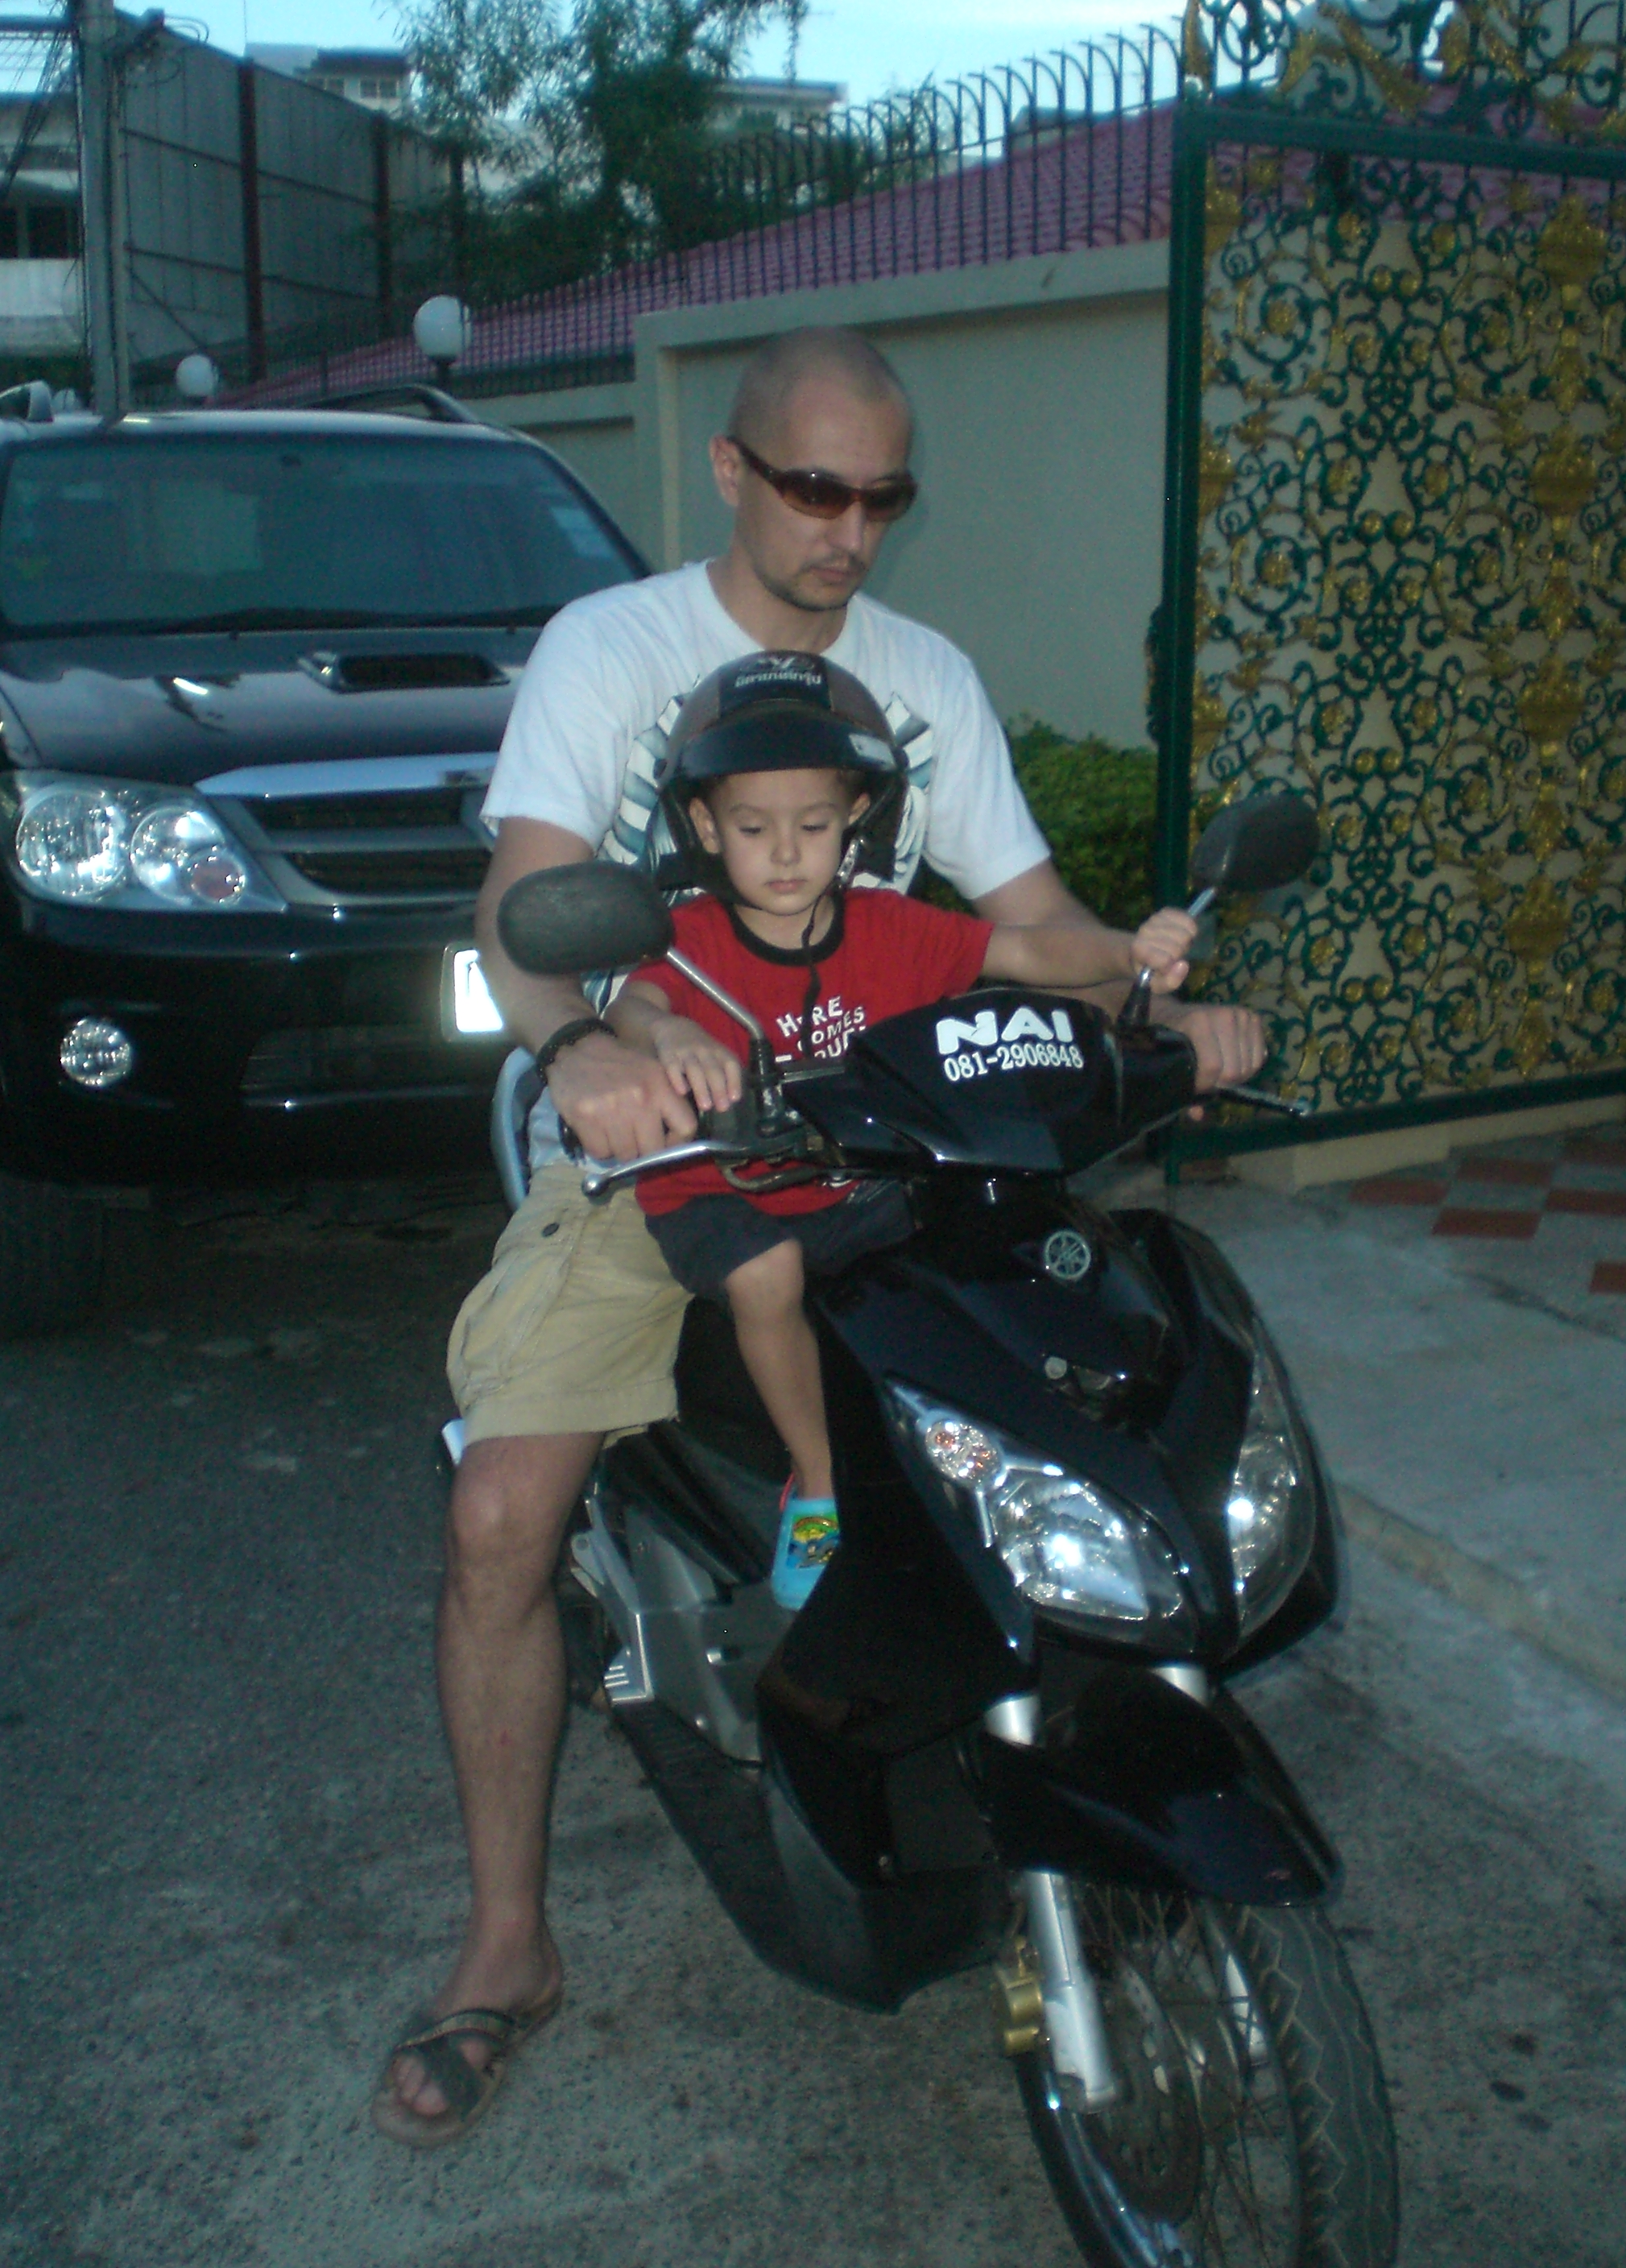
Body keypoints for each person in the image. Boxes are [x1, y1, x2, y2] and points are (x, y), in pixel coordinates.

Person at [372, 325, 1264, 2146]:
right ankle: (507, 1941)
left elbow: (1021, 918)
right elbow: (527, 895)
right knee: (501, 1516)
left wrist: (1164, 1000)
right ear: (729, 469)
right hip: (662, 1143)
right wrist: (588, 1046)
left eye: (881, 495)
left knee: (1089, 1392)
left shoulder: (923, 675)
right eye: (812, 488)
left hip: (896, 1135)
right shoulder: (610, 647)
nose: (849, 529)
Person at [614, 648, 1198, 1606]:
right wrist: (670, 1031)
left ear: (855, 816)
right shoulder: (695, 943)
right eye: (754, 828)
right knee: (769, 1274)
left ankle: (1012, 1459)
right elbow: (634, 1004)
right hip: (724, 1189)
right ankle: (818, 1480)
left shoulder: (892, 926)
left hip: (861, 1181)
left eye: (813, 824)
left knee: (994, 1236)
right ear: (707, 827)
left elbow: (1021, 947)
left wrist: (1124, 948)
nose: (787, 852)